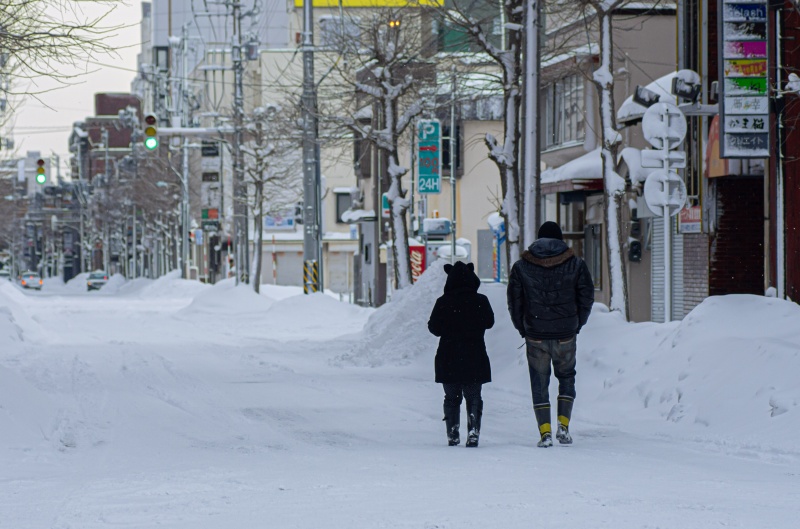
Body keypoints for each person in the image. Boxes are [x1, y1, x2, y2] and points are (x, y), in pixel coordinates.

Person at [507, 221, 594, 448]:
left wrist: (523, 328)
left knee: (539, 382)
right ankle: (563, 426)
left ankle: (545, 432)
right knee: (566, 377)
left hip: (535, 334)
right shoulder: (576, 264)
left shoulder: (521, 267)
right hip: (566, 332)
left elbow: (514, 302)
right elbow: (586, 297)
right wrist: (577, 324)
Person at [428, 261, 495, 447]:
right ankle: (473, 432)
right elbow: (489, 322)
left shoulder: (443, 302)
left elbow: (433, 327)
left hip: (448, 357)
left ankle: (453, 433)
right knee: (473, 396)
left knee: (451, 397)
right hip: (475, 355)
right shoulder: (480, 301)